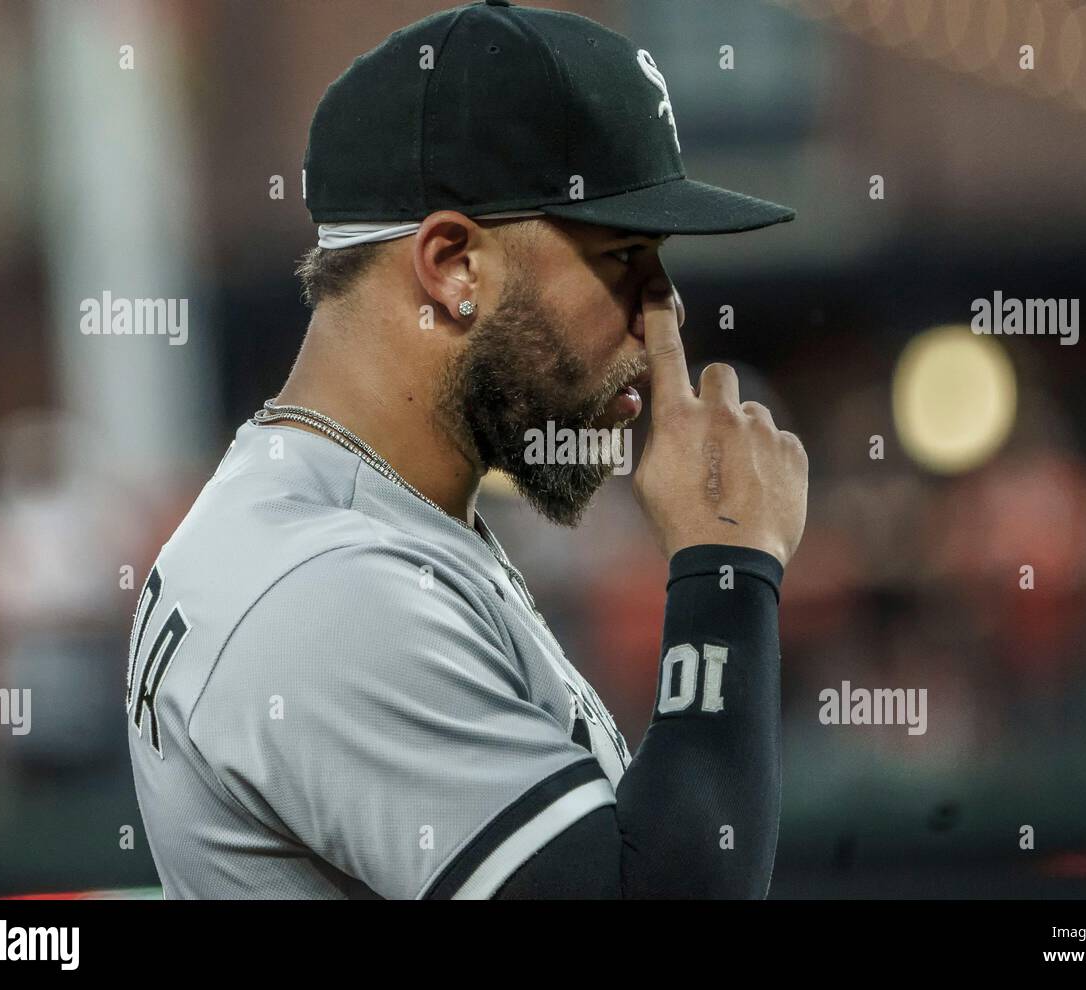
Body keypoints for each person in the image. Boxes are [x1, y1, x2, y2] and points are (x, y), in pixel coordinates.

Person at [127, 0, 807, 899]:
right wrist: (726, 566)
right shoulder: (322, 592)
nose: (665, 310)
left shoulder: (349, 511)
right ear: (453, 266)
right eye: (624, 257)